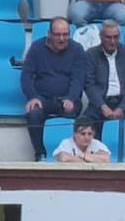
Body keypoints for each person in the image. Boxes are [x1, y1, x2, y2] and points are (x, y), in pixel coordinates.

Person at [21, 17, 87, 162]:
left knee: (72, 112)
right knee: (33, 113)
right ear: (49, 34)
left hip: (68, 98)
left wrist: (71, 97)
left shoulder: (77, 49)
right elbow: (26, 76)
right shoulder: (37, 48)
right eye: (58, 35)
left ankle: (67, 154)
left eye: (65, 34)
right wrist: (33, 96)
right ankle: (40, 154)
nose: (62, 38)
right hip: (42, 98)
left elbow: (79, 79)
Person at [82, 20, 125, 141]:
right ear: (101, 37)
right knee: (87, 120)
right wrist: (103, 107)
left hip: (124, 102)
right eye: (108, 37)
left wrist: (122, 108)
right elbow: (89, 85)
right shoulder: (91, 55)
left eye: (115, 37)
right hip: (100, 103)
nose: (112, 41)